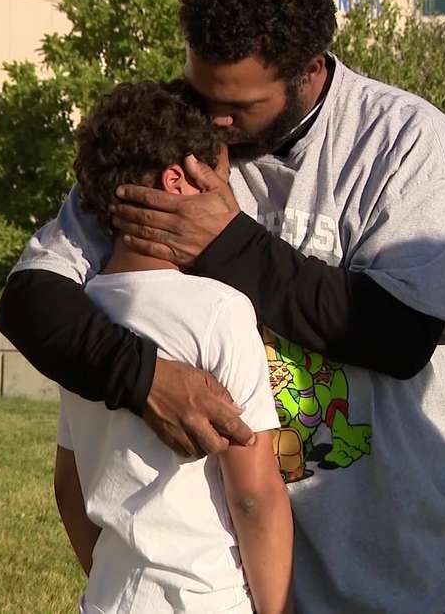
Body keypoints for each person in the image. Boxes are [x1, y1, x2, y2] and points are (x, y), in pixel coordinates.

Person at [0, 0, 445, 614]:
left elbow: (401, 334)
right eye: (204, 93)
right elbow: (32, 300)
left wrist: (229, 243)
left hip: (396, 578)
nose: (216, 121)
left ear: (309, 71)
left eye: (238, 105)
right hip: (228, 588)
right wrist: (143, 376)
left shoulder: (403, 139)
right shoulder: (173, 137)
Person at [52, 81, 292, 614]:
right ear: (177, 181)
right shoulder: (219, 310)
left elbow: (69, 488)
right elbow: (253, 494)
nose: (228, 210)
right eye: (222, 185)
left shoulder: (80, 317)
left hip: (109, 598)